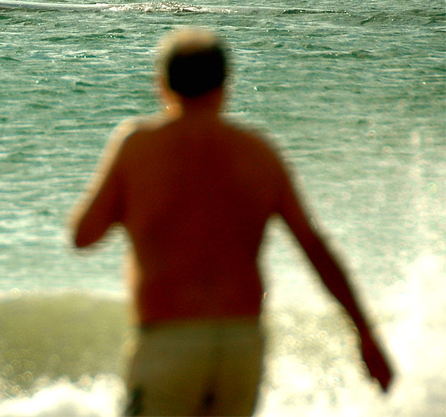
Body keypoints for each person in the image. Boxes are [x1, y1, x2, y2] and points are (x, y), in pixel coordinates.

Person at [68, 28, 394, 416]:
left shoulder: (138, 145)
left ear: (162, 86)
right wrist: (365, 334)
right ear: (225, 85)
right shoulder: (259, 152)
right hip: (241, 344)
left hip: (169, 340)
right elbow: (315, 249)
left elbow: (83, 236)